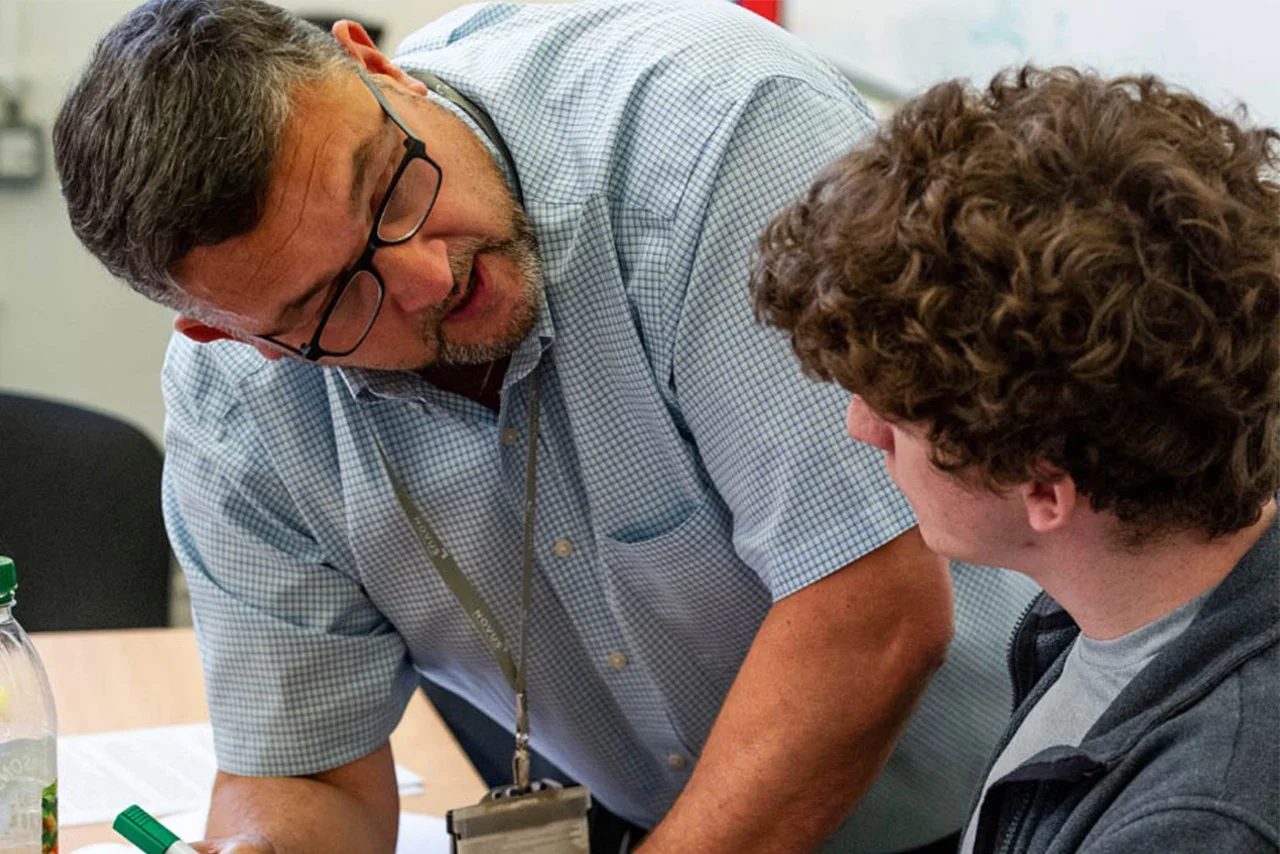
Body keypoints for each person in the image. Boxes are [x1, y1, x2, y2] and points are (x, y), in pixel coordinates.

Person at [52, 2, 1038, 852]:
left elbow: (872, 613)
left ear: (377, 66)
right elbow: (306, 774)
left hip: (1005, 798)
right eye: (337, 299)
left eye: (390, 187)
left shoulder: (708, 134)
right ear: (235, 336)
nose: (426, 276)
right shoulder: (239, 406)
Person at [751, 66, 1280, 854]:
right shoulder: (1105, 613)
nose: (862, 428)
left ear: (1042, 488)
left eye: (899, 416)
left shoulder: (1195, 823)